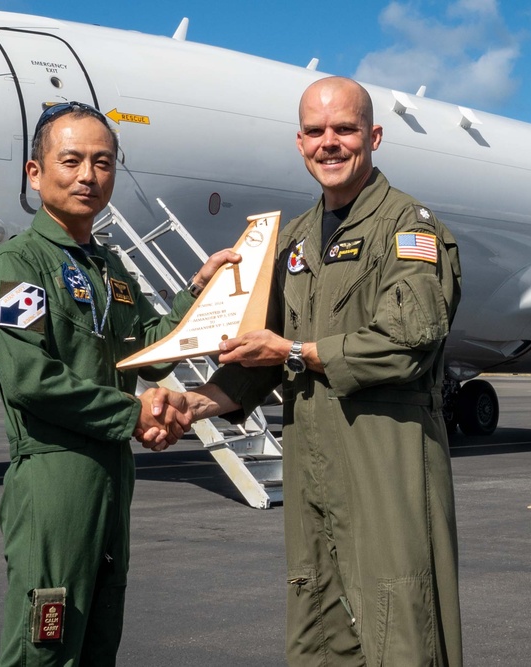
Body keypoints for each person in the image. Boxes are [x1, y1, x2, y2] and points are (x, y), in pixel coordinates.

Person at [152, 76, 464, 665]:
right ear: (299, 142)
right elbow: (254, 357)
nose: (330, 143)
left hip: (385, 457)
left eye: (344, 129)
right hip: (312, 458)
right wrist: (192, 406)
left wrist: (295, 353)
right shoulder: (289, 239)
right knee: (318, 618)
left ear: (373, 136)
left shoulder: (410, 229)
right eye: (316, 131)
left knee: (399, 621)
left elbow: (406, 344)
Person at [0, 101, 238, 666]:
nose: (88, 176)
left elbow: (150, 351)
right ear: (35, 172)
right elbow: (29, 378)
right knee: (45, 642)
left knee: (99, 635)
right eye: (71, 160)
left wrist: (198, 288)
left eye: (103, 162)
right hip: (55, 475)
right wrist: (135, 415)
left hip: (114, 472)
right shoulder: (18, 264)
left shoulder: (110, 269)